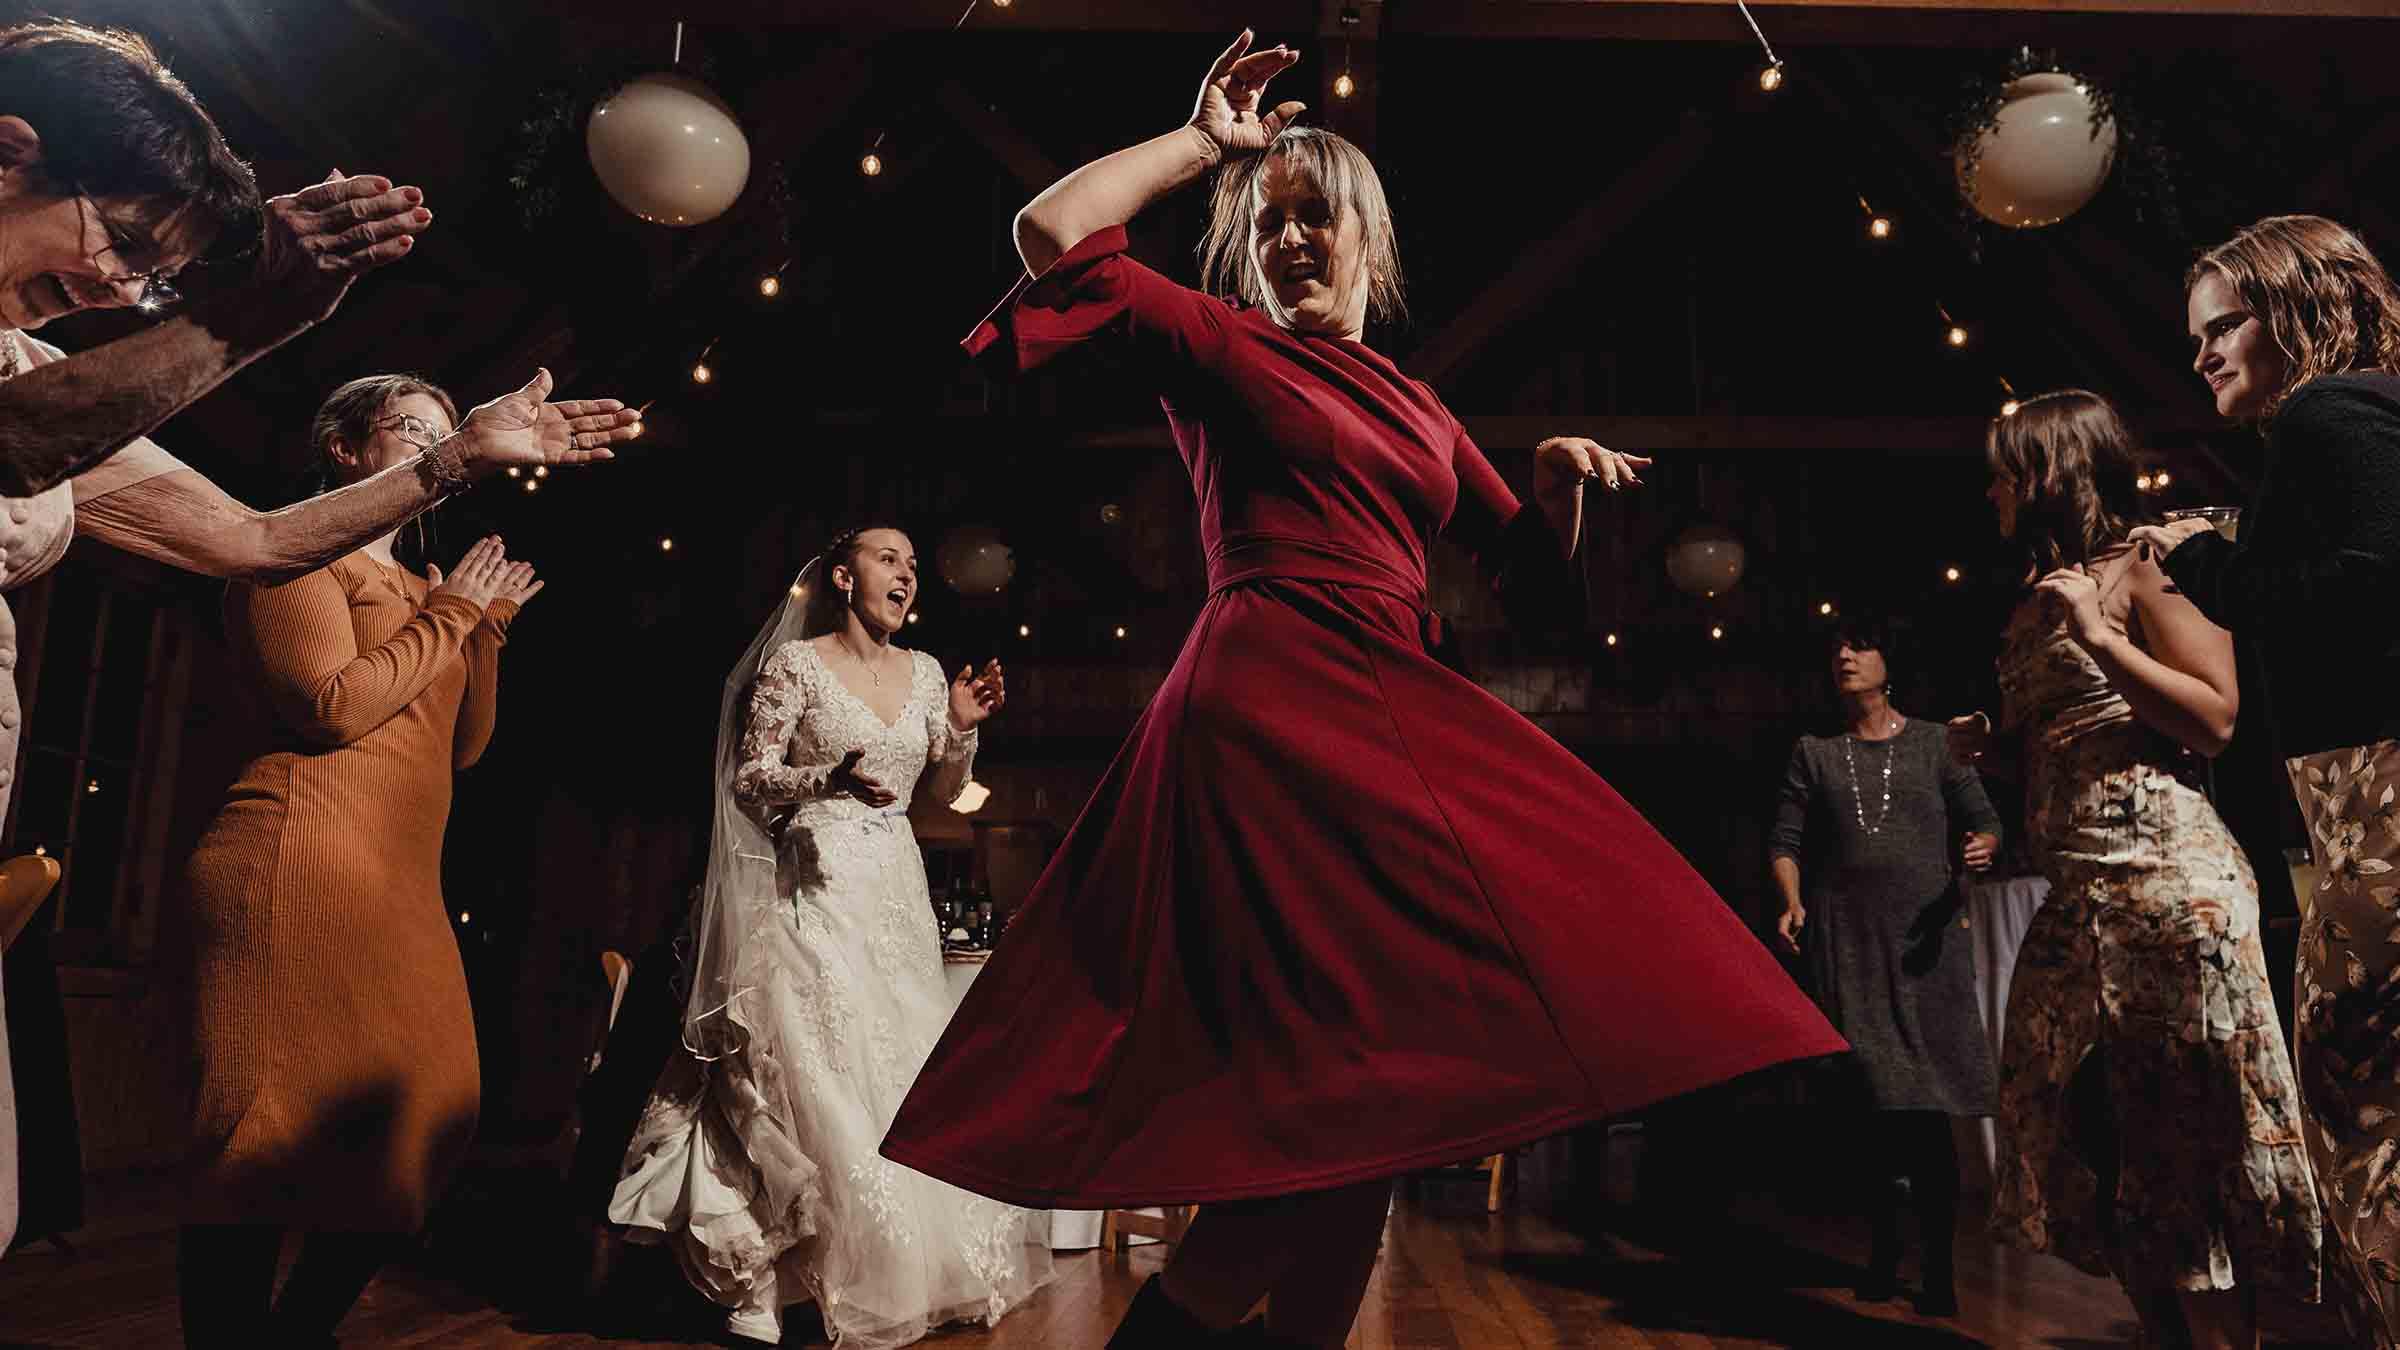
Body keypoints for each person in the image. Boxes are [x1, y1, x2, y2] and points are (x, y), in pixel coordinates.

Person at [879, 32, 1844, 1348]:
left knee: (1382, 1105)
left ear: (1366, 242)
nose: (1287, 242)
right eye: (1268, 224)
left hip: (1394, 707)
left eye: (1312, 217)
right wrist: (1202, 147)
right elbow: (1051, 229)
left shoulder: (1421, 404)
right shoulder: (1220, 346)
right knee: (1342, 1102)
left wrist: (1555, 494)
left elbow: (1539, 594)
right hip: (1272, 713)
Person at [0, 18, 638, 1273]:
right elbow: (17, 443)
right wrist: (259, 314)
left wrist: (459, 466)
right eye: (124, 244)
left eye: (152, 278)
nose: (121, 292)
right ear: (8, 151)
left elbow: (244, 540)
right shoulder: (37, 401)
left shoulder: (28, 366)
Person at [167, 375, 556, 1343]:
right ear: (343, 448)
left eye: (445, 434)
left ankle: (295, 1333)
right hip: (298, 851)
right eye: (411, 430)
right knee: (263, 1130)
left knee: (431, 1113)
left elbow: (462, 750)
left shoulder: (434, 592)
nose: (436, 447)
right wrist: (456, 619)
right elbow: (331, 705)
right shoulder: (295, 553)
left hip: (396, 878)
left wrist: (485, 630)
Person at [612, 526, 1050, 1347]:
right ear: (845, 578)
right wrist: (828, 778)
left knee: (894, 1067)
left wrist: (958, 728)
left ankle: (889, 1270)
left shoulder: (924, 673)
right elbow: (749, 774)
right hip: (811, 887)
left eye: (915, 566)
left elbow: (946, 794)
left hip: (893, 891)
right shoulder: (798, 663)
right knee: (804, 1070)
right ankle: (769, 1279)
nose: (908, 575)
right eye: (892, 560)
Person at [1955, 390, 2320, 1350]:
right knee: (2093, 1149)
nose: (1990, 487)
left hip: (2165, 884)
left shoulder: (2151, 563)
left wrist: (2103, 638)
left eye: (2004, 467)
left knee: (2183, 1158)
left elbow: (2215, 715)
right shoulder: (2041, 590)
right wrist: (1999, 750)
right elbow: (2086, 737)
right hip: (2079, 893)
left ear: (2045, 472)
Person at [2130, 214, 2400, 1349]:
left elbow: (2364, 589)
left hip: (2380, 815)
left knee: (2364, 1122)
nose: (2200, 357)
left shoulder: (2328, 413)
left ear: (2295, 307)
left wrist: (2202, 561)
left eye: (2221, 325)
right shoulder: (2372, 418)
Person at [1770, 616, 2000, 1317]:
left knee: (1927, 1114)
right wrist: (1790, 899)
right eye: (1836, 647)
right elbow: (1786, 838)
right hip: (1851, 944)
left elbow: (1984, 818)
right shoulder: (1814, 752)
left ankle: (1937, 1270)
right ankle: (1880, 1255)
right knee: (1873, 1112)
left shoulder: (1937, 743)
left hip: (1926, 945)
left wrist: (1984, 846)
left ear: (1886, 663)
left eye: (1858, 645)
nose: (1844, 655)